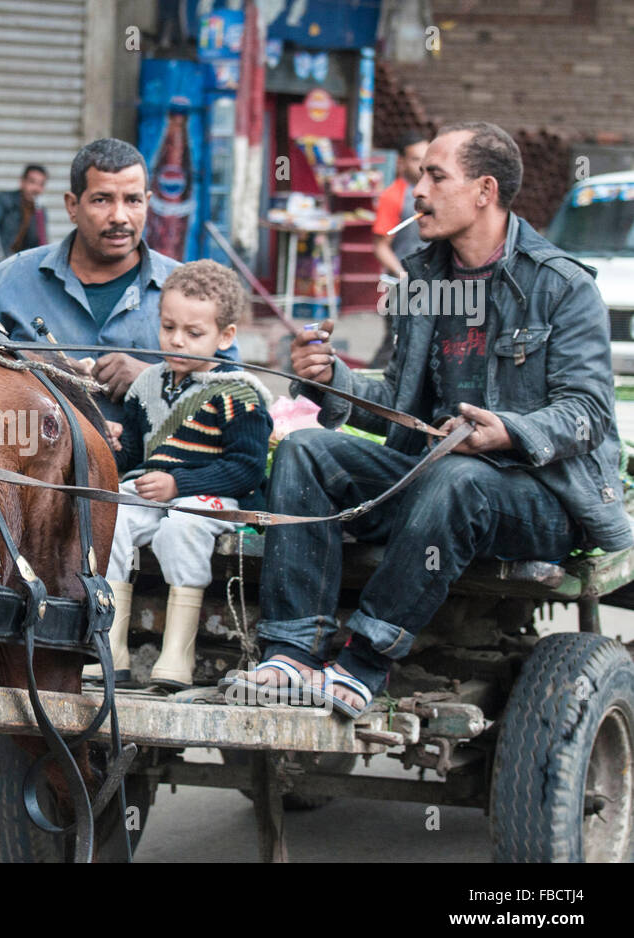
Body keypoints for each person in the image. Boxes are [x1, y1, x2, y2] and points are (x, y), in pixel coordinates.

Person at [228, 121, 631, 718]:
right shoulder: (422, 281)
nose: (417, 190)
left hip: (541, 499)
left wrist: (509, 431)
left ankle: (363, 662)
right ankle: (291, 653)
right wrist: (332, 376)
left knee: (458, 478)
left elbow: (589, 412)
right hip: (434, 481)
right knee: (305, 450)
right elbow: (397, 398)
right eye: (421, 175)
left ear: (484, 191)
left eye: (435, 176)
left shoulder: (561, 286)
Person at [0, 137, 239, 425]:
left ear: (148, 203)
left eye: (133, 200)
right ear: (72, 206)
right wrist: (32, 372)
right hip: (29, 468)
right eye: (101, 200)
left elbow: (236, 401)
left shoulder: (192, 290)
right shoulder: (6, 283)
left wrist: (154, 379)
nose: (119, 216)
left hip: (159, 469)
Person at [86, 260, 272, 687]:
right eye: (168, 327)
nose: (176, 341)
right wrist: (116, 451)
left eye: (193, 333)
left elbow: (246, 470)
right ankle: (110, 649)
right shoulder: (146, 385)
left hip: (209, 496)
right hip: (152, 492)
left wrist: (179, 484)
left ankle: (177, 657)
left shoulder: (239, 394)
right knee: (111, 519)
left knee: (180, 528)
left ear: (225, 336)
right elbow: (136, 454)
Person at [370, 131, 429, 366]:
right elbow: (380, 247)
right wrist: (403, 274)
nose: (423, 166)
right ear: (401, 162)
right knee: (394, 345)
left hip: (430, 284)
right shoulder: (392, 196)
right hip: (400, 286)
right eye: (416, 159)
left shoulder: (434, 195)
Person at [0, 165, 48, 260]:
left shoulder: (39, 212)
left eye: (41, 184)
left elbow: (39, 245)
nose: (36, 189)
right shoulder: (5, 200)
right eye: (32, 182)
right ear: (22, 182)